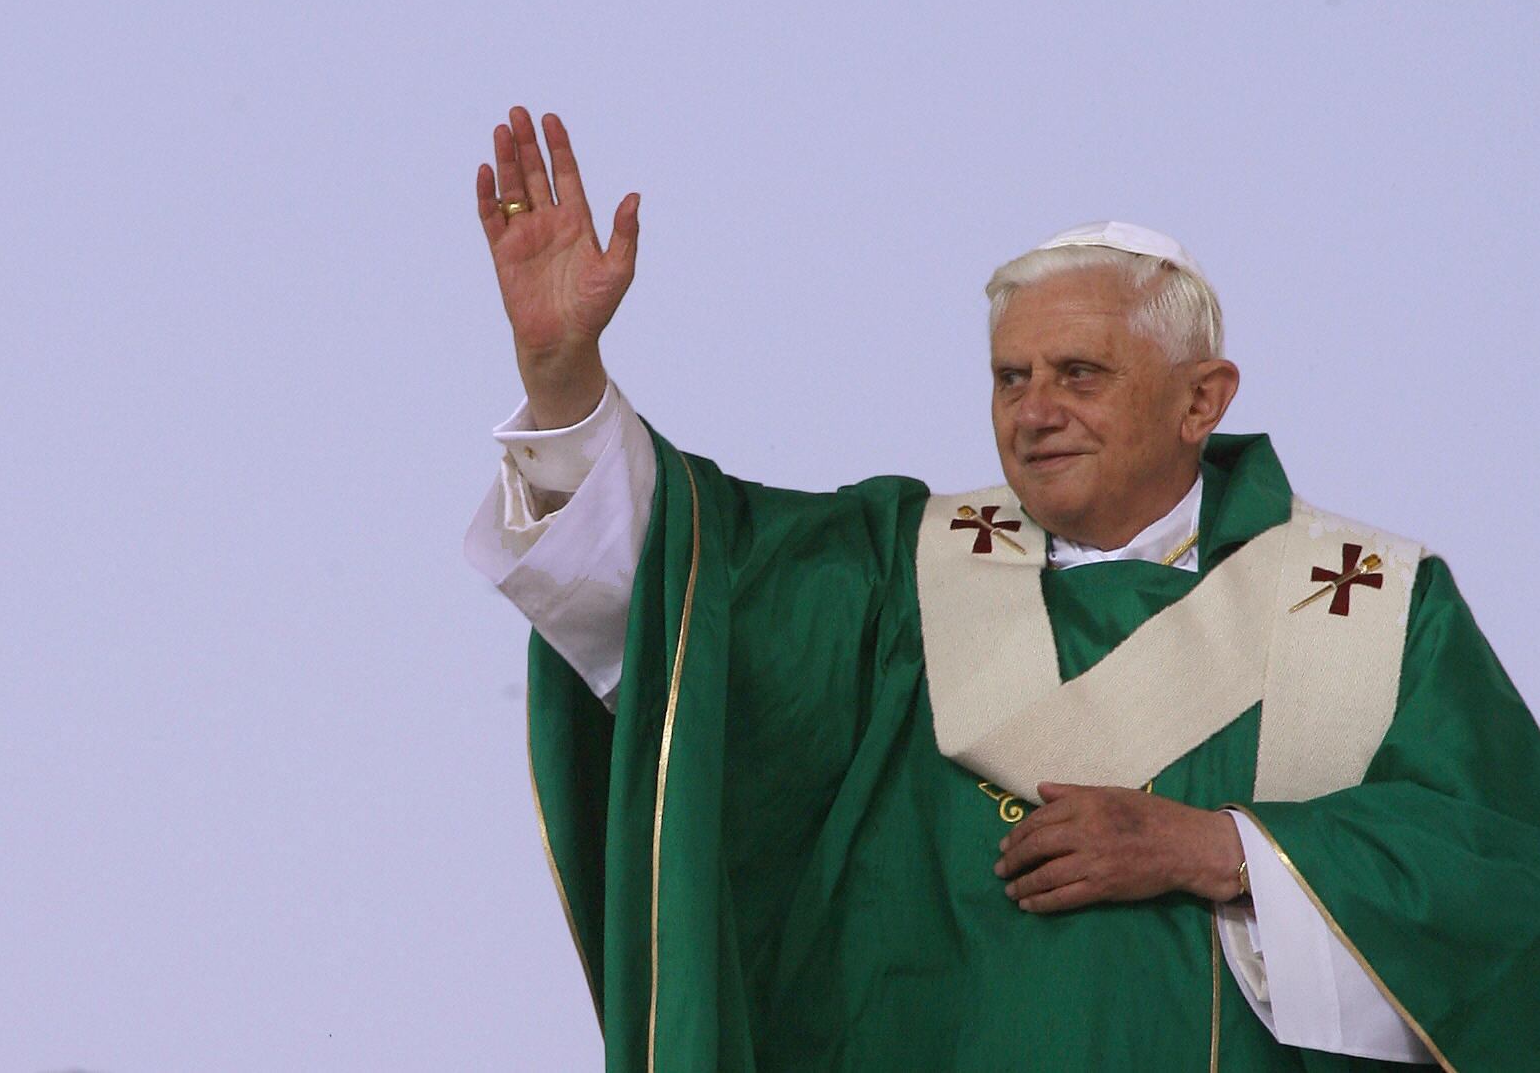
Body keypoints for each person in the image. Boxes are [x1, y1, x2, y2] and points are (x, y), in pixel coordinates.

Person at [463, 106, 1540, 1072]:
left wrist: (1223, 849)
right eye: (1010, 378)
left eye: (1080, 375)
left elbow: (1504, 884)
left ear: (1200, 399)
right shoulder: (892, 578)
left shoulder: (1369, 609)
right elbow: (670, 598)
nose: (1034, 411)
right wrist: (564, 381)